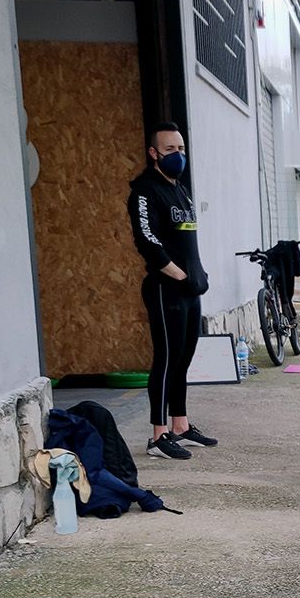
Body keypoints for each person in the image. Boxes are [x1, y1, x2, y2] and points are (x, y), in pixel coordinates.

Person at [128, 122, 218, 461]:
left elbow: (188, 241)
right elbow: (146, 240)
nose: (177, 156)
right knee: (165, 360)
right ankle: (158, 434)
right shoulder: (144, 190)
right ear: (154, 153)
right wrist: (179, 274)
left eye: (181, 149)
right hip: (166, 289)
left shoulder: (181, 190)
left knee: (183, 360)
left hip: (190, 291)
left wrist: (198, 274)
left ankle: (180, 425)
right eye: (170, 150)